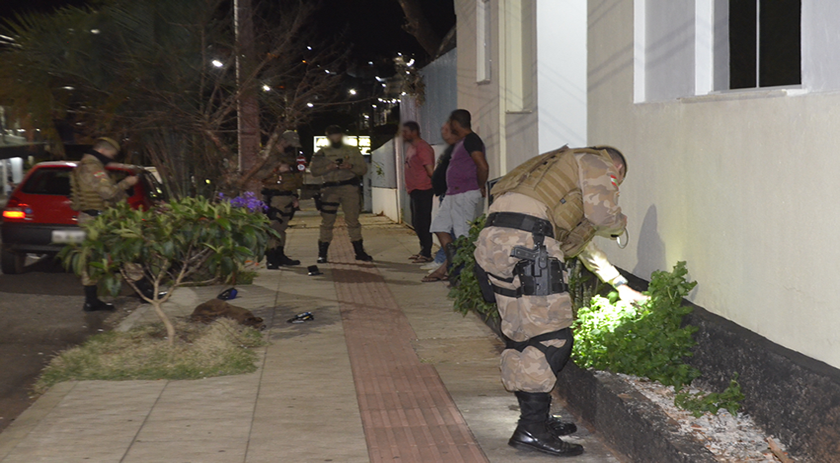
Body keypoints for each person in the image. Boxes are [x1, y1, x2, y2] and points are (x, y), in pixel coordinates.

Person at [473, 145, 647, 457]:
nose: (613, 184)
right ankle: (532, 428)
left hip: (494, 242)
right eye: (616, 180)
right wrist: (621, 224)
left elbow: (581, 245)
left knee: (522, 334)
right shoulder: (599, 161)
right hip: (529, 246)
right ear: (616, 169)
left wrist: (619, 282)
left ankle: (535, 421)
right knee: (553, 338)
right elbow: (603, 215)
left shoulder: (552, 173)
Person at [70, 137, 140, 312]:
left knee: (91, 258)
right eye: (111, 154)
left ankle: (91, 300)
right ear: (102, 151)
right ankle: (145, 292)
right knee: (124, 250)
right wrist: (126, 183)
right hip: (98, 221)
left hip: (90, 218)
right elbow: (108, 193)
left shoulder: (84, 164)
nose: (111, 158)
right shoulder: (93, 167)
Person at [423, 109, 489, 282]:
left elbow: (482, 165)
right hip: (453, 194)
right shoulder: (462, 141)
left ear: (455, 123)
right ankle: (451, 265)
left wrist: (480, 185)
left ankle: (462, 274)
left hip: (464, 194)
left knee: (462, 235)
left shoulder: (471, 140)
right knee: (439, 226)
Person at [310, 125, 372, 263]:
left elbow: (362, 169)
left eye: (336, 135)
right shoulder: (322, 152)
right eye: (331, 135)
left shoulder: (352, 150)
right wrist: (328, 167)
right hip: (329, 189)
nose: (334, 138)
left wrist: (350, 166)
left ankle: (359, 252)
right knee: (327, 221)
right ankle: (322, 253)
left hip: (348, 187)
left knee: (353, 220)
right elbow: (314, 171)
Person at [255, 130, 304, 268]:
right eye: (290, 143)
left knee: (281, 228)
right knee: (272, 227)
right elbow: (258, 174)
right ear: (282, 141)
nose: (291, 146)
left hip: (287, 196)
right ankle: (271, 257)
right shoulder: (267, 155)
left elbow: (293, 178)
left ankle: (280, 254)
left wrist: (295, 196)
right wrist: (276, 169)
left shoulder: (288, 156)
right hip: (273, 195)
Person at [401, 121, 436, 263]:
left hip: (423, 189)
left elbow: (430, 170)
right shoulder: (411, 148)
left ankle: (427, 252)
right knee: (417, 222)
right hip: (414, 189)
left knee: (423, 222)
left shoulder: (423, 148)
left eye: (405, 132)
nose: (403, 135)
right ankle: (423, 249)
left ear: (414, 132)